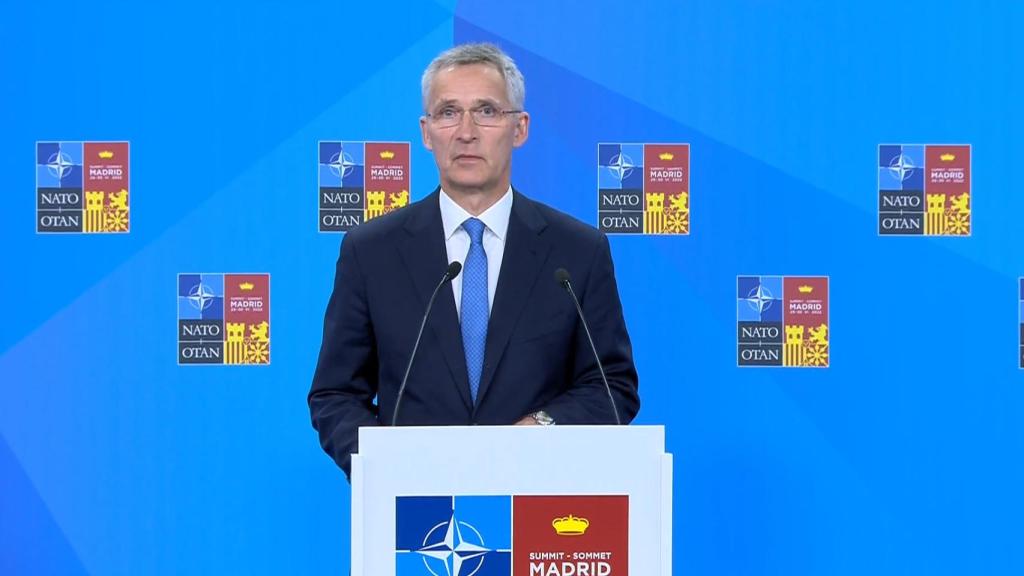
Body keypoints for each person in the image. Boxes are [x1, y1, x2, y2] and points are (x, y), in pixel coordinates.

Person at [308, 43, 639, 479]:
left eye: (486, 110)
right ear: (426, 132)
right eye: (448, 112)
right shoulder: (370, 251)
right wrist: (390, 467)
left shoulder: (577, 250)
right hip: (412, 510)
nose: (466, 131)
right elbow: (335, 394)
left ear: (520, 128)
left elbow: (612, 386)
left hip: (539, 500)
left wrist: (541, 429)